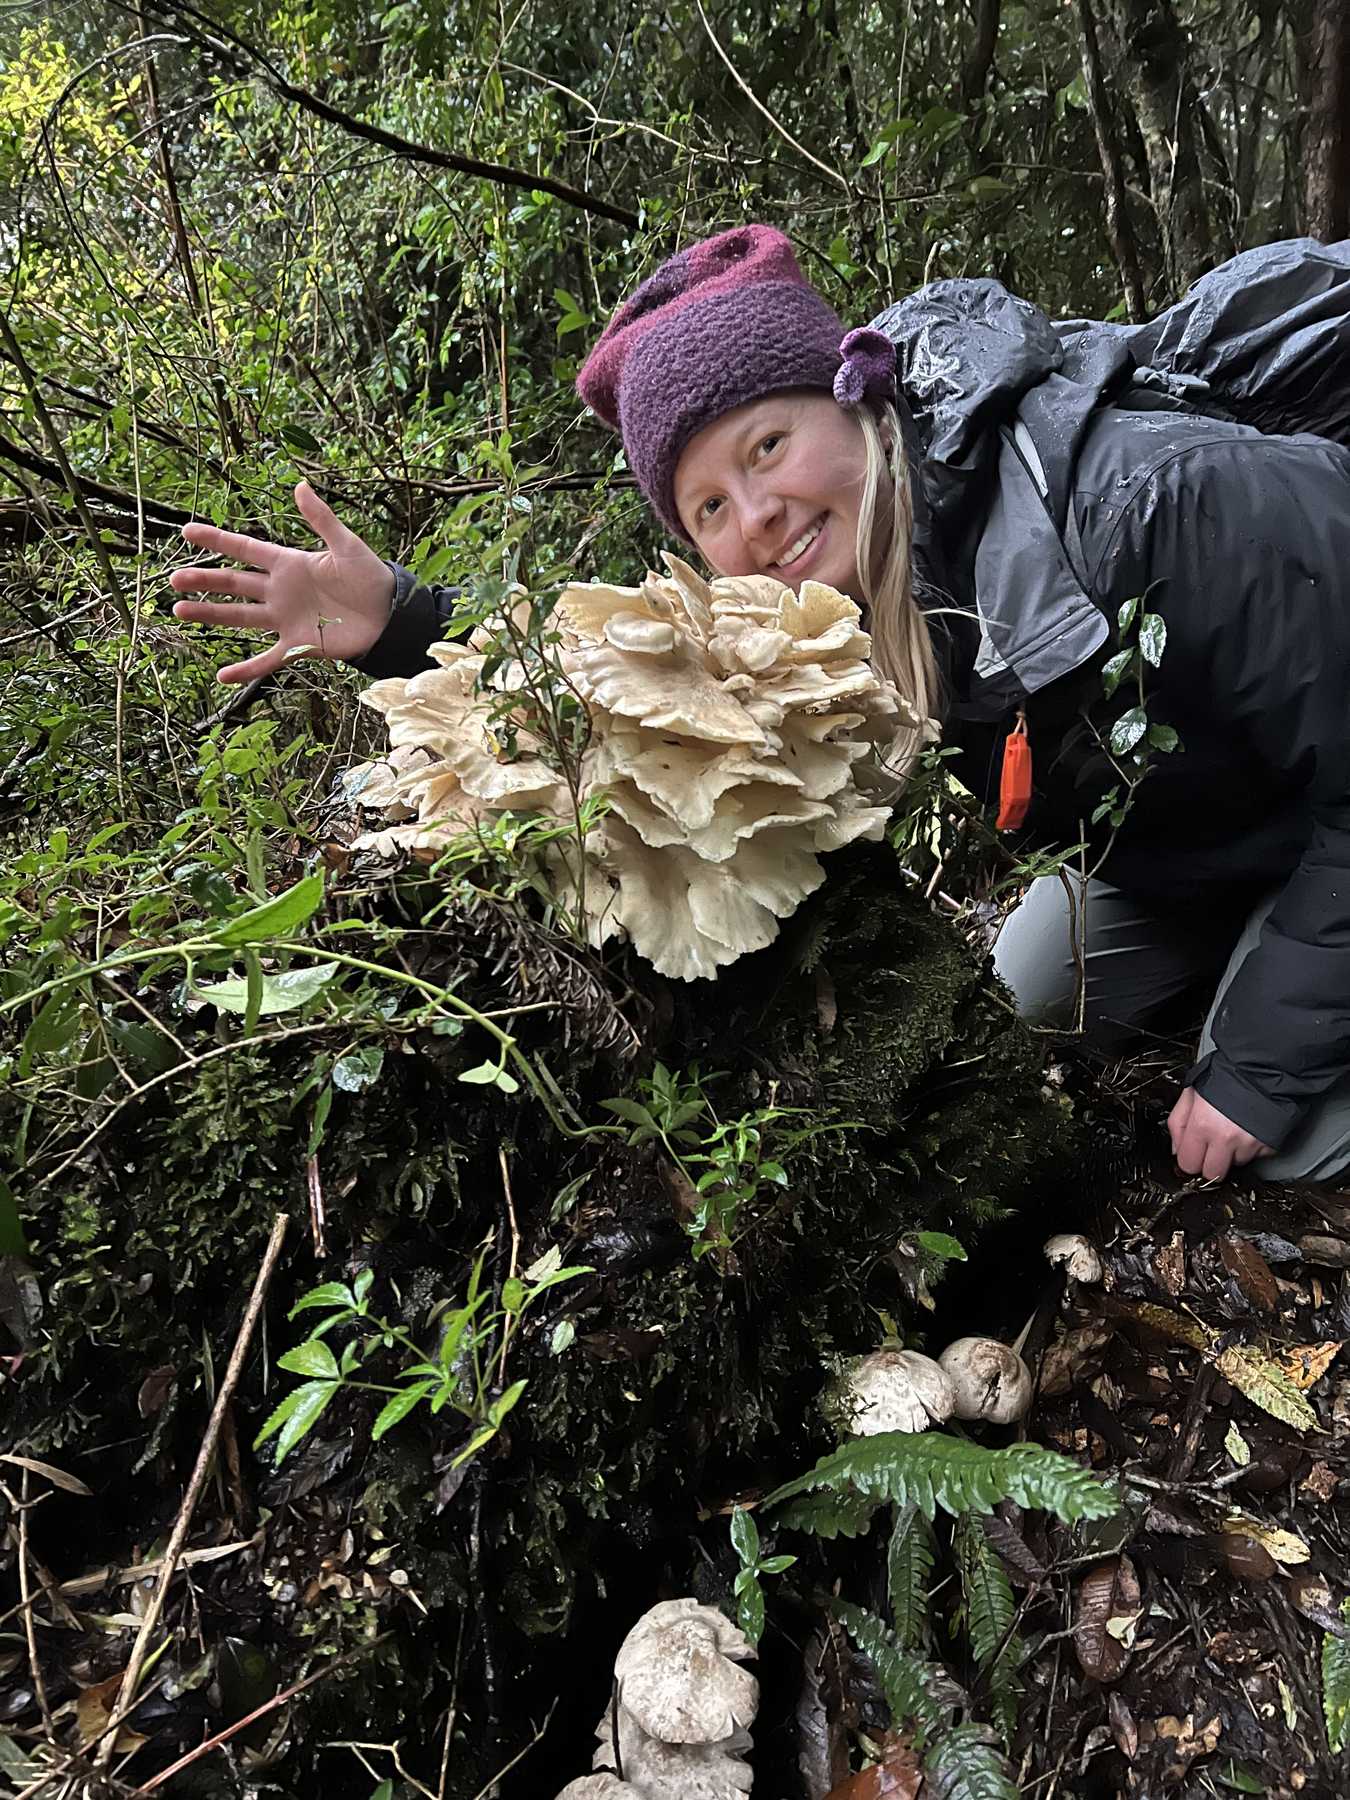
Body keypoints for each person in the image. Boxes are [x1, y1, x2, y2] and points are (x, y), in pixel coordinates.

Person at [171, 224, 1350, 1186]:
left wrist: (1255, 1067)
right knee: (1031, 1018)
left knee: (1286, 1140)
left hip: (1320, 808)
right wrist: (401, 627)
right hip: (1197, 836)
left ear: (858, 398)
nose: (758, 519)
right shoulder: (843, 602)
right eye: (708, 510)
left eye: (770, 444)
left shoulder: (1153, 502)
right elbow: (634, 681)